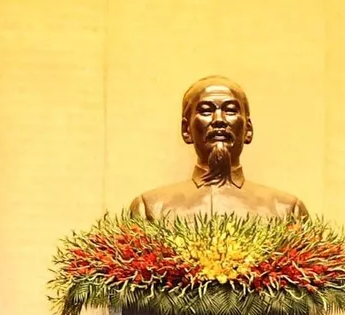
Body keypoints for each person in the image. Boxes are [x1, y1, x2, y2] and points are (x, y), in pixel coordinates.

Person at [126, 75, 310, 221]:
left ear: (248, 130)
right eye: (206, 110)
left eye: (230, 110)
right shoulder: (150, 209)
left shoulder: (286, 210)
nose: (219, 120)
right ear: (186, 130)